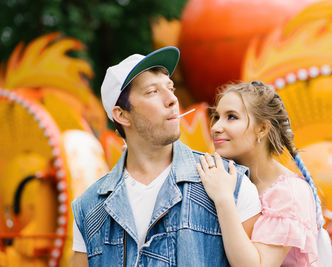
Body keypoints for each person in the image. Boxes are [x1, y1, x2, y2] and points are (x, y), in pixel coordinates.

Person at [71, 47, 261, 267]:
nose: (172, 99)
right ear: (121, 115)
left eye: (170, 88)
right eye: (152, 91)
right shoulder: (89, 209)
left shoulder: (230, 181)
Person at [196, 81, 332, 266]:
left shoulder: (289, 193)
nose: (215, 127)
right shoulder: (229, 178)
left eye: (231, 117)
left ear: (262, 128)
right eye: (216, 116)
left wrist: (223, 199)